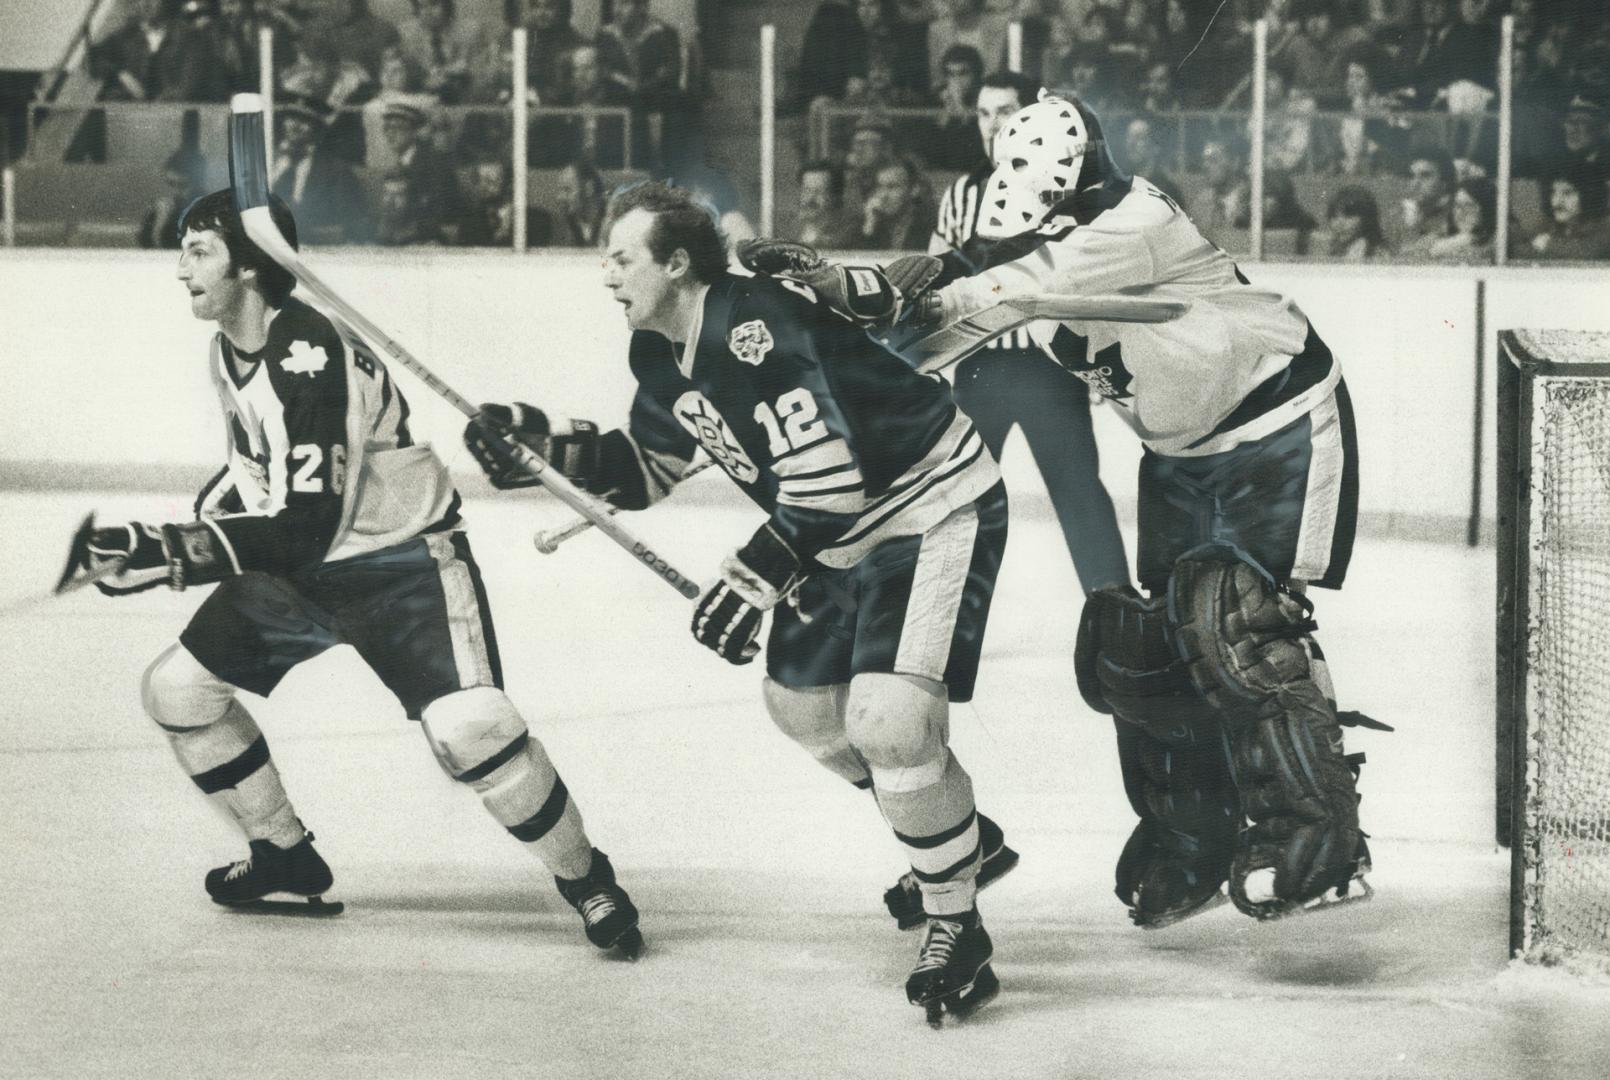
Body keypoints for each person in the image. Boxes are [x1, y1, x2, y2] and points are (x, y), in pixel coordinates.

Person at [816, 91, 1373, 928]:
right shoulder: (1042, 249)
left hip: (1277, 426)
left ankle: (1319, 840)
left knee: (1240, 628)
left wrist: (903, 291)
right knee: (1145, 644)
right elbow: (933, 341)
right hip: (1179, 452)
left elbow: (1007, 287)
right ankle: (1195, 833)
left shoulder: (1134, 220)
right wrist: (826, 332)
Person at [463, 181, 1013, 1025]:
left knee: (891, 722)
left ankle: (956, 925)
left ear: (677, 262)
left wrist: (754, 576)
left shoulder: (754, 325)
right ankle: (954, 836)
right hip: (832, 531)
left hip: (927, 506)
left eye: (622, 256)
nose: (605, 273)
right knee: (801, 706)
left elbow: (829, 482)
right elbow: (646, 470)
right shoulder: (657, 351)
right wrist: (542, 442)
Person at [66, 190, 643, 958]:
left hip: (399, 564)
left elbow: (307, 521)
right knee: (178, 690)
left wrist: (172, 552)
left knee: (470, 730)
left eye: (198, 251)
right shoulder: (233, 346)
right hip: (300, 572)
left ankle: (587, 877)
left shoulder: (306, 351)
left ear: (248, 265)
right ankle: (283, 854)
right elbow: (259, 476)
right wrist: (171, 537)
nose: (180, 270)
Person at [930, 70, 1130, 596]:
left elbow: (1096, 278)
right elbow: (934, 279)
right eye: (982, 112)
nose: (992, 124)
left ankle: (1116, 608)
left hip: (1050, 366)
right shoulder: (961, 195)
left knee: (1078, 492)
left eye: (1004, 112)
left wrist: (1102, 359)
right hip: (980, 366)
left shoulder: (1066, 188)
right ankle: (939, 615)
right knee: (956, 496)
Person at [268, 92, 371, 244]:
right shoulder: (268, 163)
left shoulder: (336, 171)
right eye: (292, 118)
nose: (295, 126)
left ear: (317, 129)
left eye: (304, 121)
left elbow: (349, 226)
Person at [1324, 184, 1388, 260]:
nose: (1339, 223)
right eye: (1334, 216)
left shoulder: (1379, 255)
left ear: (1366, 218)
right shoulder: (1334, 249)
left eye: (1348, 217)